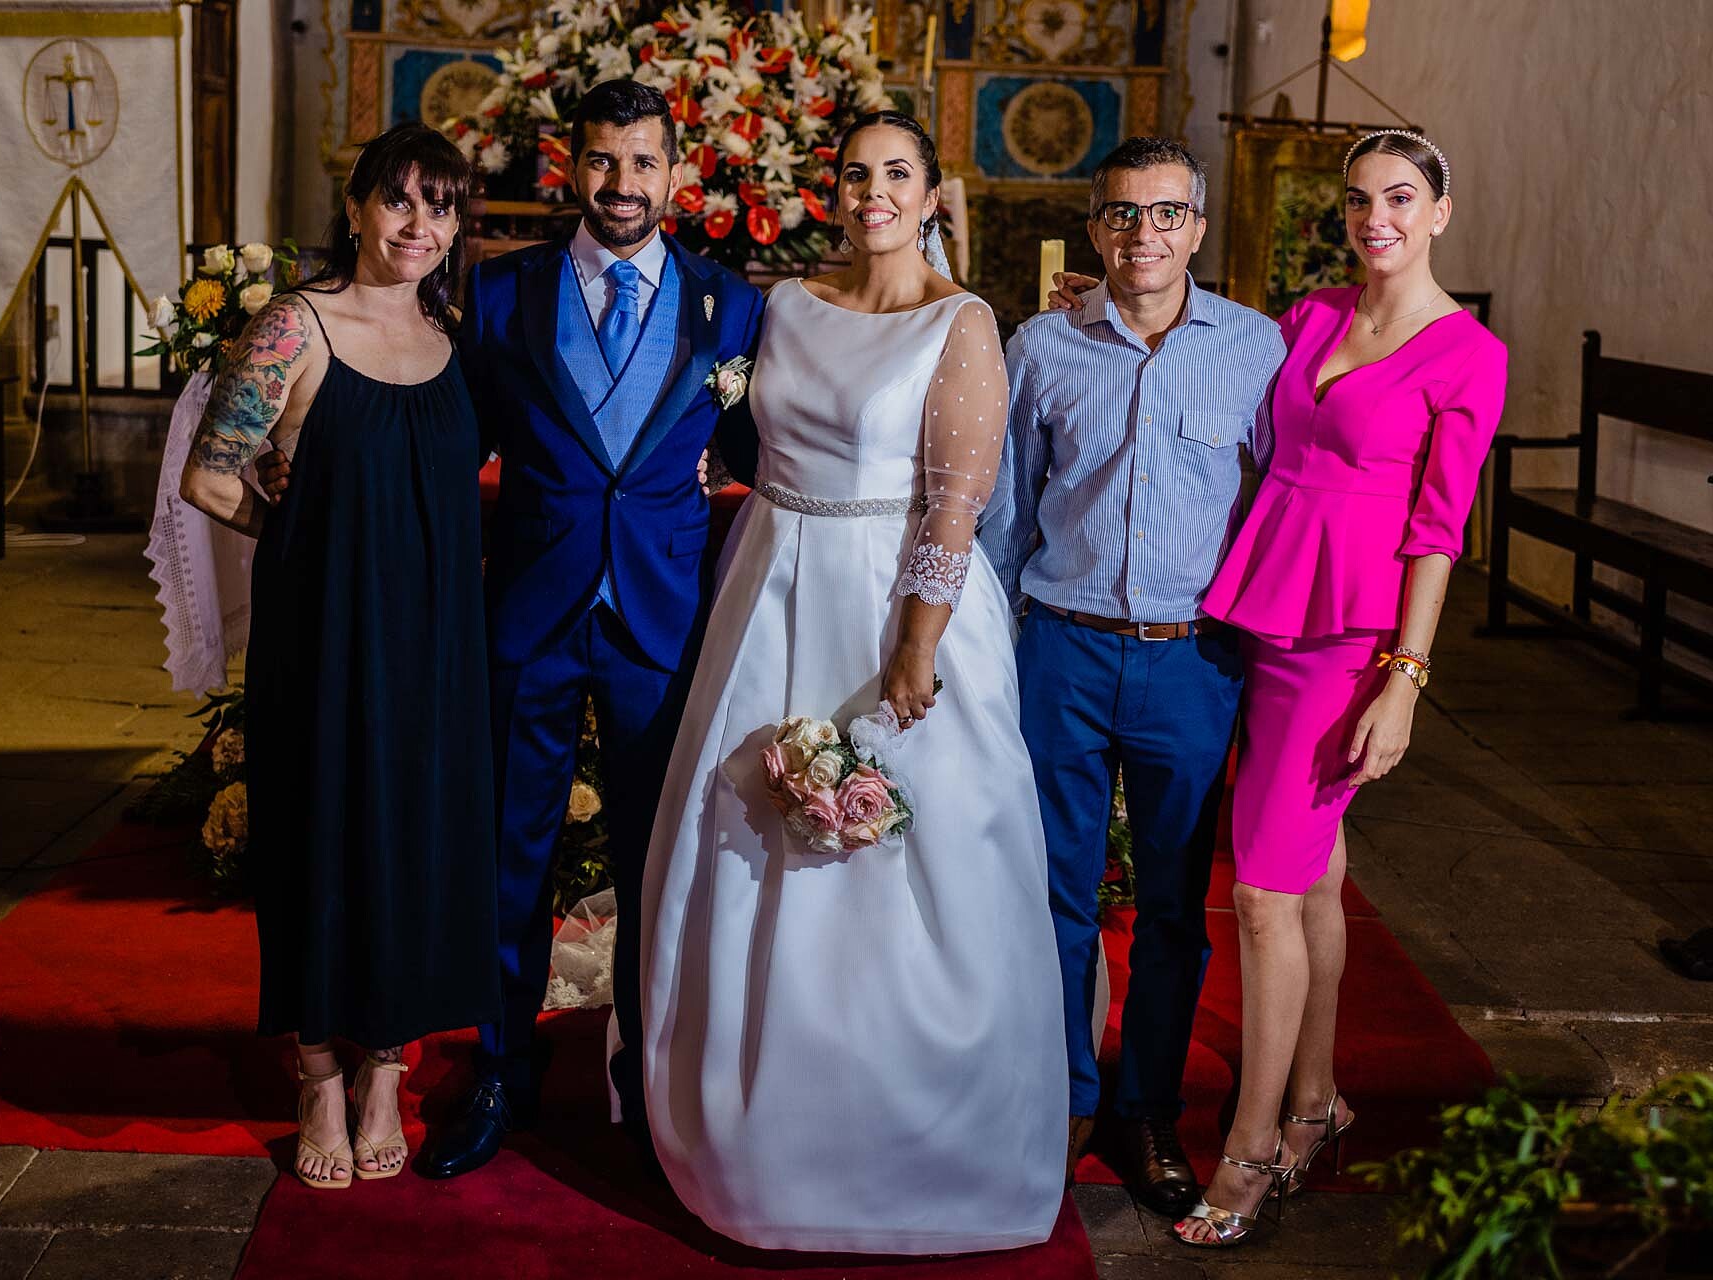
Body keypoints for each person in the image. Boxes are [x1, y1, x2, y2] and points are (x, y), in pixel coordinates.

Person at [638, 111, 1066, 1253]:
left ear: (932, 192)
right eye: (856, 174)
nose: (873, 191)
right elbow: (728, 433)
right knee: (750, 846)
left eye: (897, 174)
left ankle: (931, 1146)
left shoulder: (961, 319)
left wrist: (917, 642)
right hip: (771, 582)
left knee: (911, 864)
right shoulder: (783, 305)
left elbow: (955, 501)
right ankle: (756, 1143)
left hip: (893, 603)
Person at [418, 78, 764, 1180]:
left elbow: (767, 444)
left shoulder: (732, 305)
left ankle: (652, 1076)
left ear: (677, 172)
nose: (622, 184)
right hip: (528, 610)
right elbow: (442, 438)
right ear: (571, 165)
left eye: (643, 163)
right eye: (603, 161)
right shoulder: (501, 290)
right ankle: (503, 1070)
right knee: (509, 856)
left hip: (661, 619)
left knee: (661, 862)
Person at [1172, 130, 1508, 1247]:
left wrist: (1405, 678)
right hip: (1258, 602)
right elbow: (1234, 394)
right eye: (1361, 198)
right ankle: (1317, 1098)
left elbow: (1438, 529)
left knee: (1265, 893)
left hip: (1346, 636)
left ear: (1442, 209)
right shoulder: (1312, 316)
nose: (1378, 218)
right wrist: (1134, 299)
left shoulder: (1468, 353)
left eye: (1402, 198)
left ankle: (1254, 1142)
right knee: (1312, 875)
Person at [180, 123, 499, 1190]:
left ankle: (386, 1064)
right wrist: (315, 546)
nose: (420, 225)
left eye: (441, 206)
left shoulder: (455, 336)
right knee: (322, 841)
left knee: (415, 841)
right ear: (358, 208)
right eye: (399, 201)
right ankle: (317, 1063)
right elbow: (212, 477)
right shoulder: (296, 326)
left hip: (439, 644)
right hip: (326, 635)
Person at [981, 137, 1286, 1219]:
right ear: (1095, 225)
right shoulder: (1043, 345)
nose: (1142, 235)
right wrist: (998, 638)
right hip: (1060, 646)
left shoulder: (1255, 348)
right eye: (1121, 215)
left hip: (1190, 658)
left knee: (1171, 903)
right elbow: (1009, 507)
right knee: (1054, 894)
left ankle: (1146, 1104)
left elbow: (1274, 496)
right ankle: (1060, 1096)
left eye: (1165, 214)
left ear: (1198, 226)